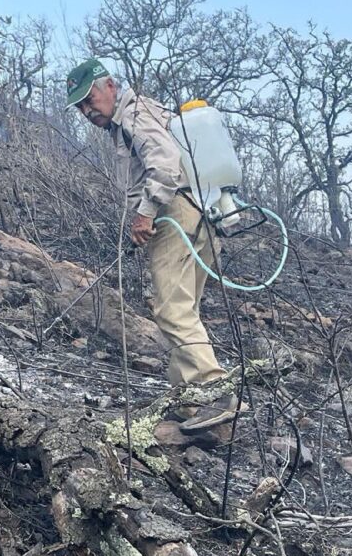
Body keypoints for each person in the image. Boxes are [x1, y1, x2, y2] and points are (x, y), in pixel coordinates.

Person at [65, 58, 237, 431]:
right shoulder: (143, 113)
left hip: (175, 212)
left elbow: (165, 164)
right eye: (80, 106)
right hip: (203, 212)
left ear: (109, 86)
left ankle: (214, 393)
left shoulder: (134, 114)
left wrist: (144, 213)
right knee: (183, 307)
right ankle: (190, 404)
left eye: (89, 99)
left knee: (172, 310)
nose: (86, 110)